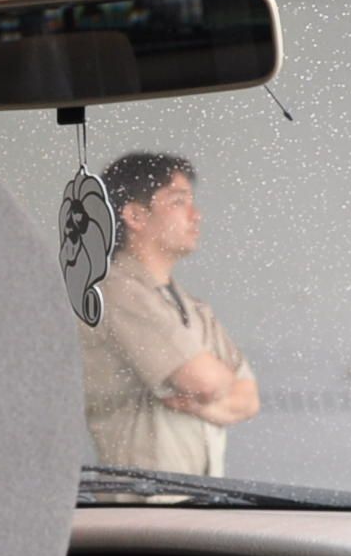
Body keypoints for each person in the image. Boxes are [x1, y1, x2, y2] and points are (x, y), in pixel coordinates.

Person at [83, 151, 259, 475]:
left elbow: (249, 399)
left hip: (197, 496)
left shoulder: (193, 307)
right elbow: (204, 381)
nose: (196, 215)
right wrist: (216, 391)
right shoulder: (116, 291)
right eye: (179, 202)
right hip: (146, 499)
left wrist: (200, 406)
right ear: (135, 216)